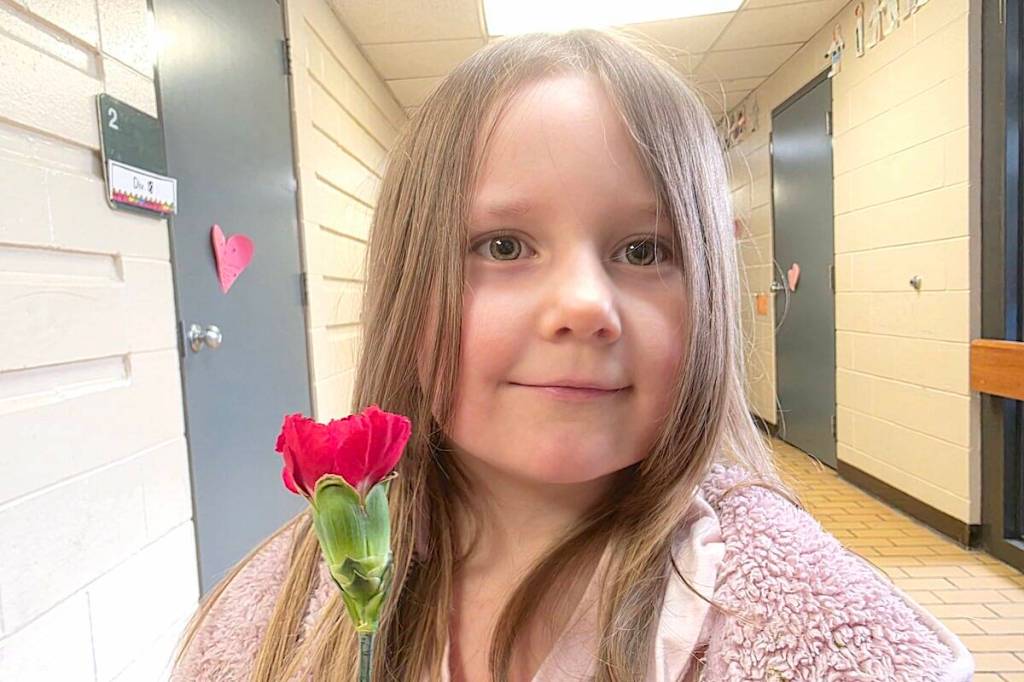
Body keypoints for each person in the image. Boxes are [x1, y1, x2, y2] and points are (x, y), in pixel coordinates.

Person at [170, 28, 973, 681]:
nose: (586, 305)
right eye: (505, 244)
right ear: (406, 293)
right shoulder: (276, 613)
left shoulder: (809, 622)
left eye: (645, 249)